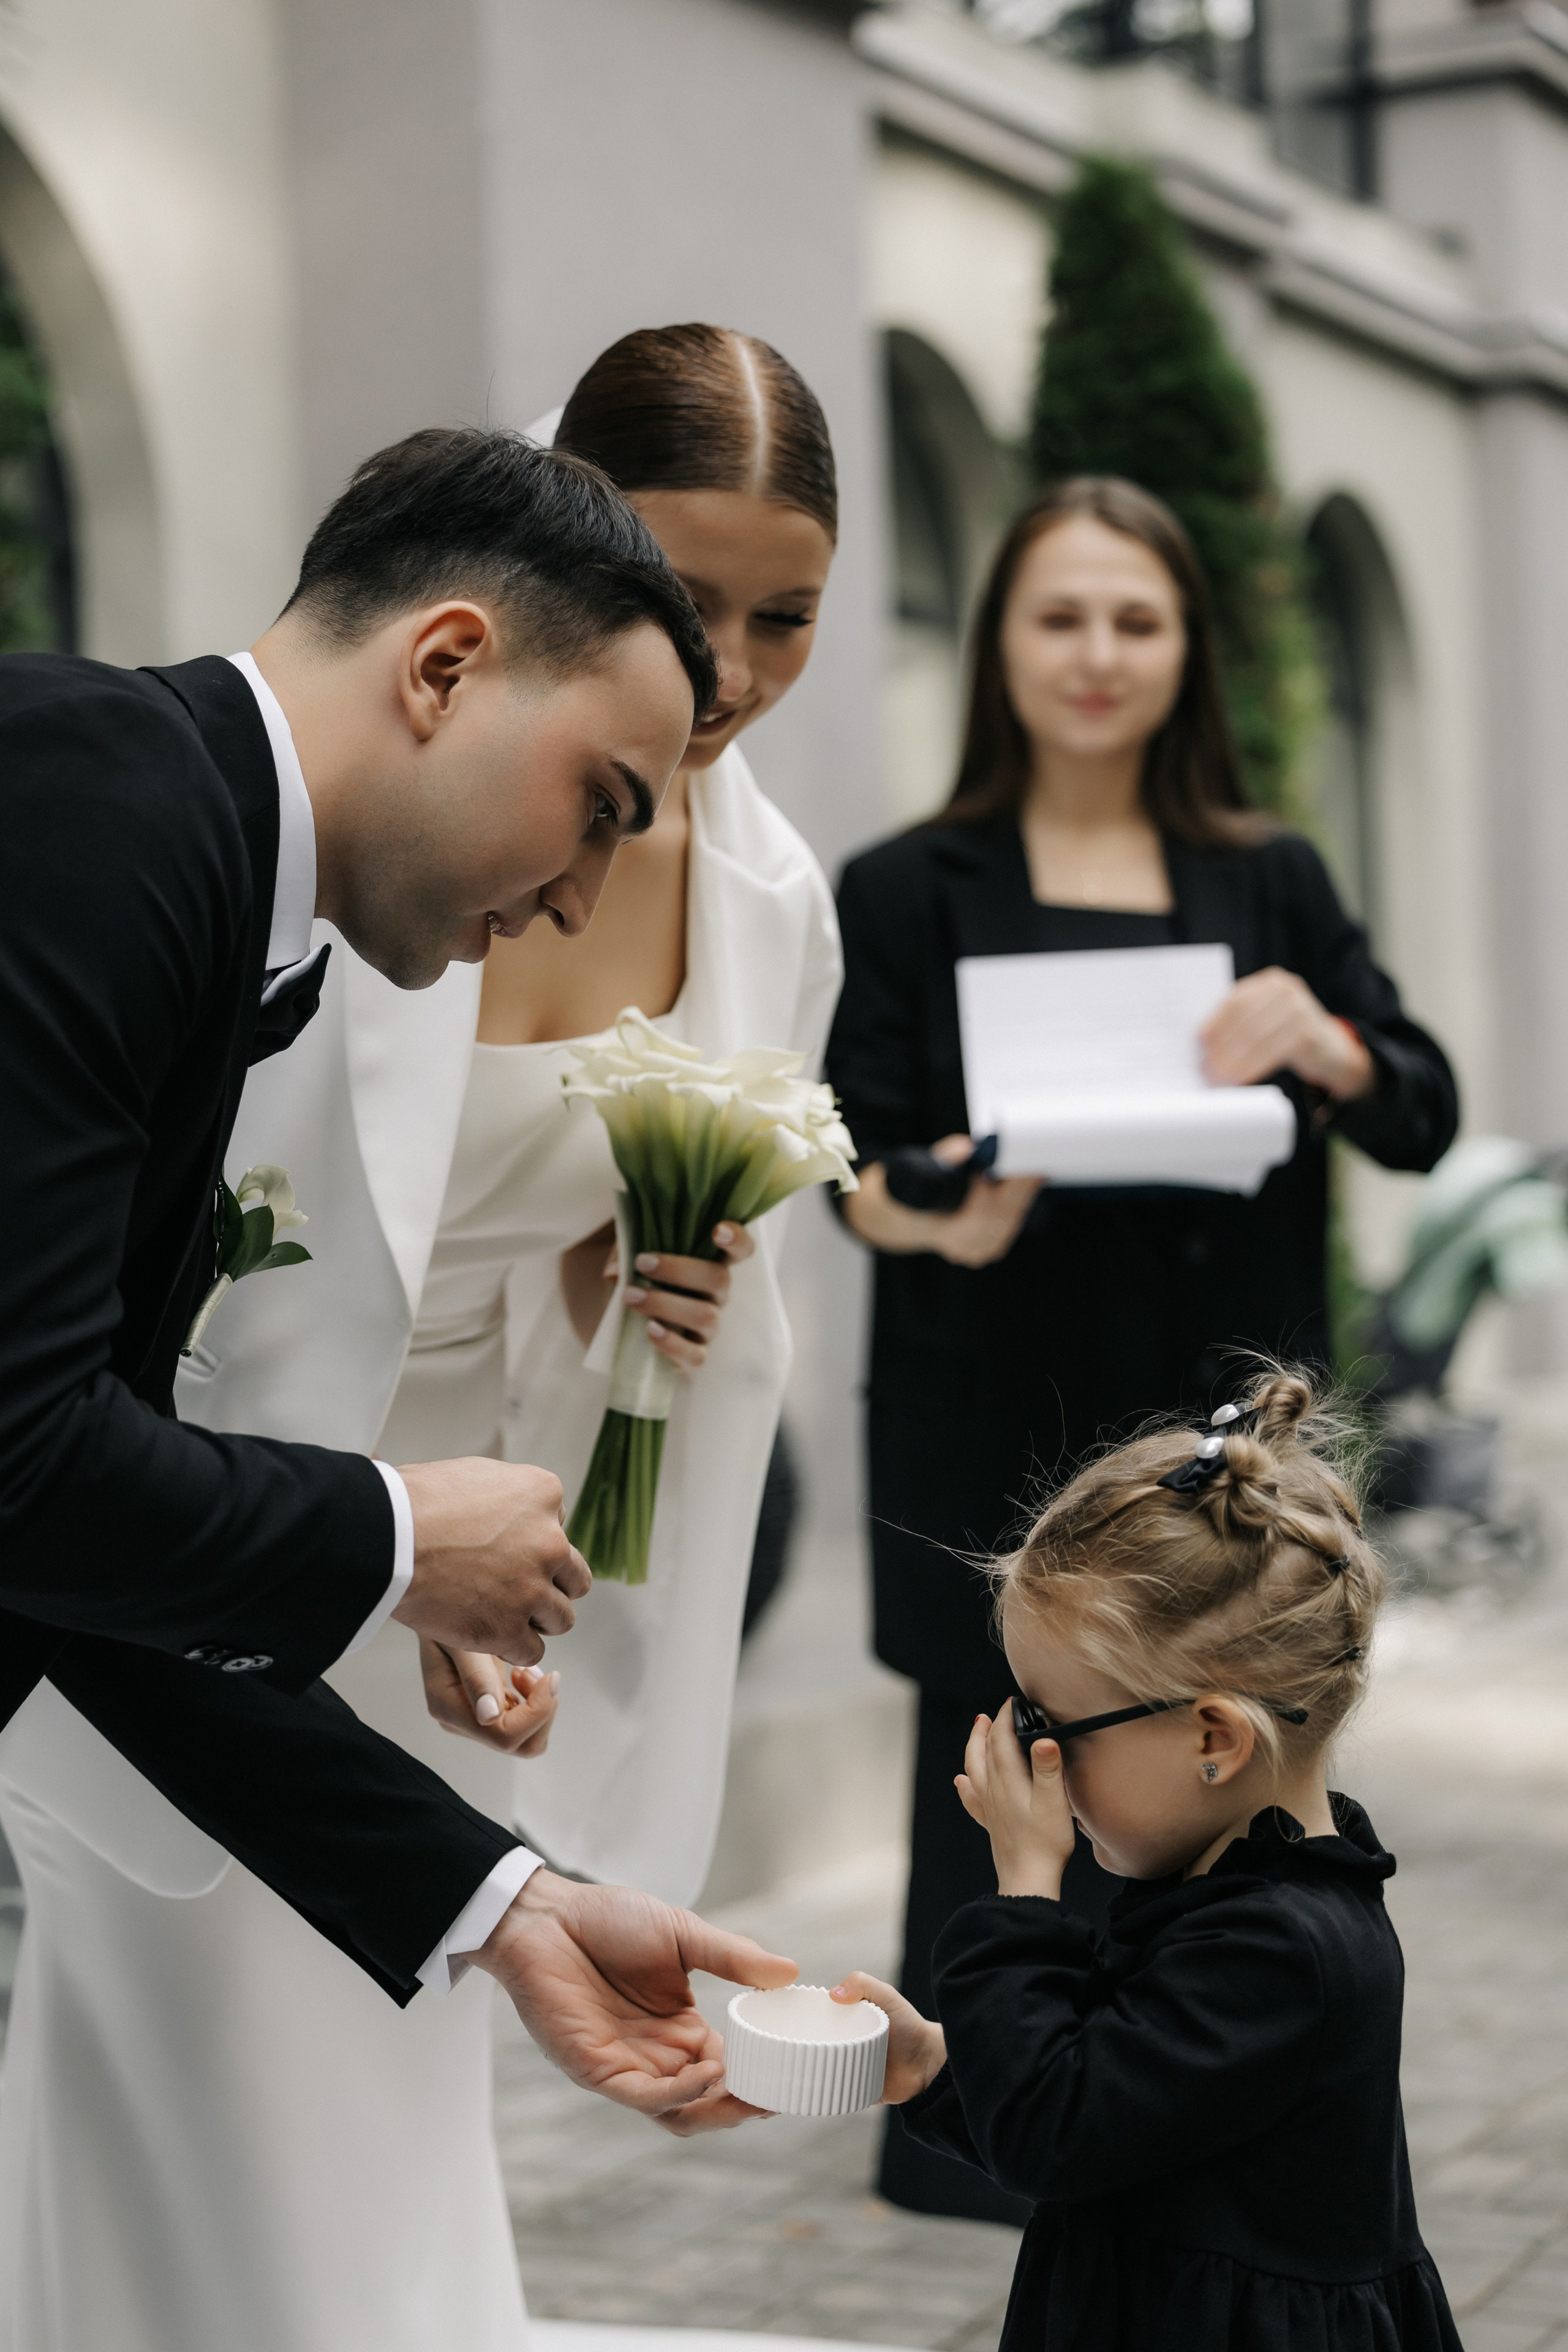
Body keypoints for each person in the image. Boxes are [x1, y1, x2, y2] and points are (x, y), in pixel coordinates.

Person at [0, 327, 840, 2350]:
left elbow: (59, 1527)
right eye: (596, 799)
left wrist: (506, 1905)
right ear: (451, 662)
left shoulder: (215, 862)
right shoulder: (107, 810)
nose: (580, 897)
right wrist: (390, 1539)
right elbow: (35, 1463)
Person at [825, 475, 1458, 2220]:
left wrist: (1324, 1040)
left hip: (1212, 1432)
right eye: (1058, 616)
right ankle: (983, 2140)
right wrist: (933, 1207)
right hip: (992, 1412)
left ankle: (1214, 2128)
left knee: (1217, 1772)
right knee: (999, 1774)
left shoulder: (1271, 877)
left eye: (1135, 619)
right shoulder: (907, 886)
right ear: (998, 646)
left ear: (1187, 649)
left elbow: (1419, 1106)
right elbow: (845, 1157)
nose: (1097, 654)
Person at [835, 1366, 1461, 2350]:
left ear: (1214, 1738)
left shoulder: (1280, 1945)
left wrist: (1025, 1890)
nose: (1027, 1750)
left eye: (1053, 1723)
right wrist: (932, 2067)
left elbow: (1060, 2133)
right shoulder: (1235, 1889)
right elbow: (1120, 2102)